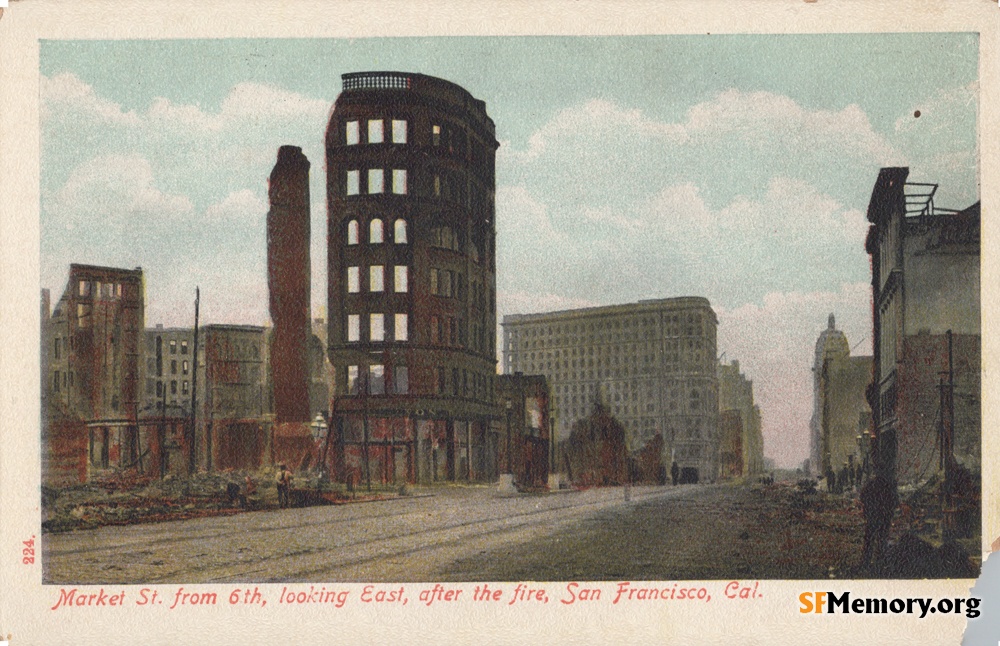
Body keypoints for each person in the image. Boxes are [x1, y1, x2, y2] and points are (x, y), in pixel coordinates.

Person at [860, 472, 899, 568]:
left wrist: (870, 507)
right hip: (884, 517)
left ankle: (866, 560)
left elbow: (863, 497)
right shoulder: (889, 486)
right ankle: (880, 561)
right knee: (882, 540)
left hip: (873, 516)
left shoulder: (871, 484)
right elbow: (896, 501)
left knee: (869, 539)